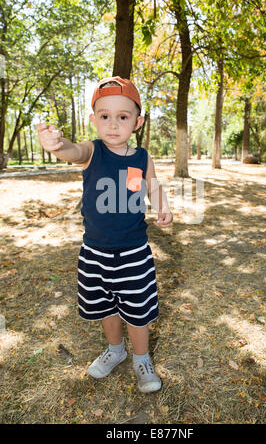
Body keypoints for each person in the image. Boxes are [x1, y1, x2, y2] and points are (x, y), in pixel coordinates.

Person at [37, 76, 173, 393]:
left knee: (138, 313)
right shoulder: (93, 152)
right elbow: (73, 150)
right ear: (93, 120)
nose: (113, 124)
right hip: (95, 253)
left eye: (122, 117)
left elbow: (152, 186)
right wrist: (57, 146)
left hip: (134, 253)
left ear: (137, 122)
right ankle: (115, 350)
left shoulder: (142, 158)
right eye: (105, 116)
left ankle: (141, 358)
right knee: (106, 308)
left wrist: (162, 206)